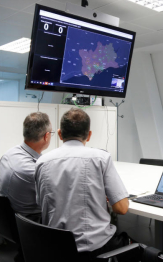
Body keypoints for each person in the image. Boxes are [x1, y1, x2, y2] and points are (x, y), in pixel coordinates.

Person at [35, 108, 130, 261]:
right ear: (89, 135)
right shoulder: (101, 158)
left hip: (54, 248)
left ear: (59, 134)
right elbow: (122, 208)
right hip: (94, 249)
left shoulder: (41, 162)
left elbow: (40, 203)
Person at [0, 112, 53, 222]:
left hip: (5, 221)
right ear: (46, 136)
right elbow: (54, 201)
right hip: (29, 225)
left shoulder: (9, 154)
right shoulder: (32, 170)